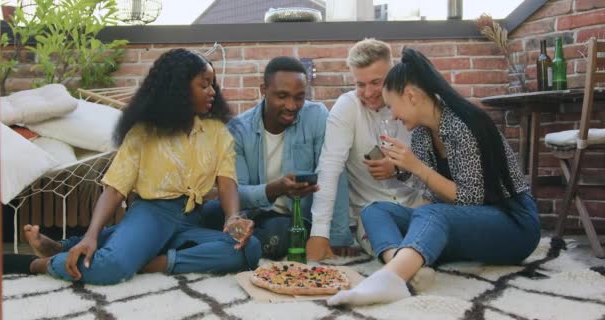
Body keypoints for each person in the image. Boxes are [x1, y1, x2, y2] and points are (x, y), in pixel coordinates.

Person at [3, 49, 262, 284]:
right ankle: (41, 264)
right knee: (111, 267)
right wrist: (91, 235)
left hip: (192, 218)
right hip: (152, 213)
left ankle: (146, 263)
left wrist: (233, 220)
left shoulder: (217, 132)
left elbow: (227, 181)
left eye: (212, 85)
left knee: (249, 249)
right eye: (204, 85)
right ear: (179, 89)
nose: (212, 92)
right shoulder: (143, 133)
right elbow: (115, 189)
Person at [327, 48, 541, 306]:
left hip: (512, 223)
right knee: (375, 211)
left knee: (431, 214)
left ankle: (389, 278)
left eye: (393, 105)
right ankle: (405, 268)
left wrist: (416, 168)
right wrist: (407, 180)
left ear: (411, 96)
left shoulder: (463, 125)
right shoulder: (421, 134)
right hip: (465, 226)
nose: (393, 114)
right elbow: (431, 196)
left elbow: (470, 199)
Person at [201, 56, 353, 260]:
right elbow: (237, 193)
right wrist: (276, 189)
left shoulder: (316, 116)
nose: (291, 105)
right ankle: (232, 244)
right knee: (206, 213)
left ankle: (224, 246)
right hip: (250, 215)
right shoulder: (239, 130)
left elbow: (335, 175)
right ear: (263, 90)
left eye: (299, 97)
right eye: (282, 96)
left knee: (280, 234)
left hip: (293, 218)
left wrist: (336, 236)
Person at [307, 39, 424, 261]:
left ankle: (410, 263)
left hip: (416, 205)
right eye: (360, 85)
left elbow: (433, 169)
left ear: (393, 73)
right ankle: (405, 267)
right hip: (370, 214)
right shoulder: (347, 106)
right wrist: (319, 233)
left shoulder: (415, 102)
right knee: (380, 232)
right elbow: (329, 168)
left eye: (376, 82)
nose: (368, 92)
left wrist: (400, 168)